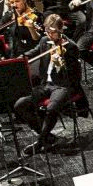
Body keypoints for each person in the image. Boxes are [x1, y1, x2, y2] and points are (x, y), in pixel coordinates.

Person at [14, 12, 81, 155]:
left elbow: (75, 76)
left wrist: (60, 64)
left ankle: (40, 142)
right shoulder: (45, 40)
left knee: (52, 108)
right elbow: (34, 52)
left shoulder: (71, 46)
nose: (50, 35)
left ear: (61, 30)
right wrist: (19, 59)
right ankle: (48, 136)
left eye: (53, 32)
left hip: (64, 85)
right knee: (20, 104)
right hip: (46, 84)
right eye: (47, 32)